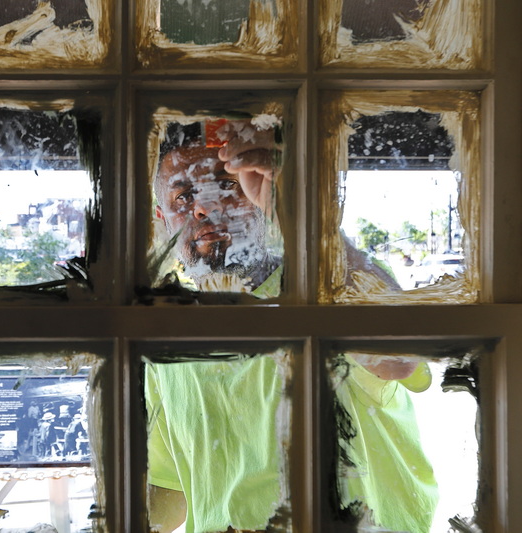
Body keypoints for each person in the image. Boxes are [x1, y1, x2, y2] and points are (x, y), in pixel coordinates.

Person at [146, 117, 438, 533]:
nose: (204, 207)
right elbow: (171, 489)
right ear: (163, 218)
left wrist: (297, 216)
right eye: (184, 195)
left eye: (228, 186)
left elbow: (397, 359)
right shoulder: (160, 332)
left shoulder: (331, 286)